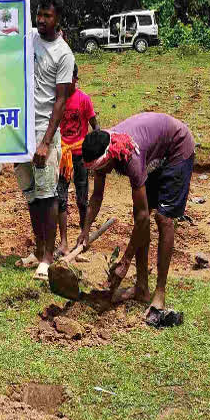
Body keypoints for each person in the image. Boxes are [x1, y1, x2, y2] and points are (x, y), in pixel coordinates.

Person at [77, 113, 195, 329]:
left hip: (177, 147)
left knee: (162, 218)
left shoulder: (130, 157)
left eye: (99, 170)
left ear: (109, 159)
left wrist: (125, 261)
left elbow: (143, 219)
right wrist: (84, 231)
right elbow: (96, 197)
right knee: (141, 214)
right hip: (155, 154)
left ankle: (159, 294)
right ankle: (141, 287)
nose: (98, 174)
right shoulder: (103, 147)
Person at [17, 0, 74, 280]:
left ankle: (48, 258)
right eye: (39, 14)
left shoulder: (63, 54)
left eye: (47, 16)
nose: (41, 20)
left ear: (58, 19)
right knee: (31, 195)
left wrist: (46, 141)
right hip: (21, 130)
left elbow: (61, 101)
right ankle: (38, 250)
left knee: (48, 195)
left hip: (44, 132)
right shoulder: (29, 38)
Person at [57, 64, 98, 255]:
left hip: (80, 155)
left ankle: (83, 235)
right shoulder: (57, 100)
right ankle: (63, 242)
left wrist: (98, 149)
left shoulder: (84, 100)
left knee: (82, 198)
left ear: (75, 78)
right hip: (62, 155)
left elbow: (94, 126)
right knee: (61, 197)